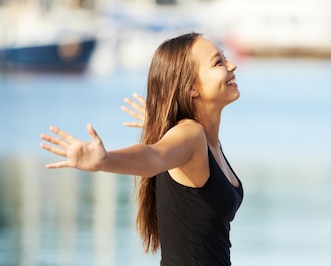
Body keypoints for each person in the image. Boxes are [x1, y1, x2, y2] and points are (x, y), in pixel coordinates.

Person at [39, 32, 244, 266]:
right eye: (218, 62)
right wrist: (104, 160)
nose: (232, 65)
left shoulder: (206, 141)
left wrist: (159, 122)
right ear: (191, 88)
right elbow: (153, 156)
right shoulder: (190, 135)